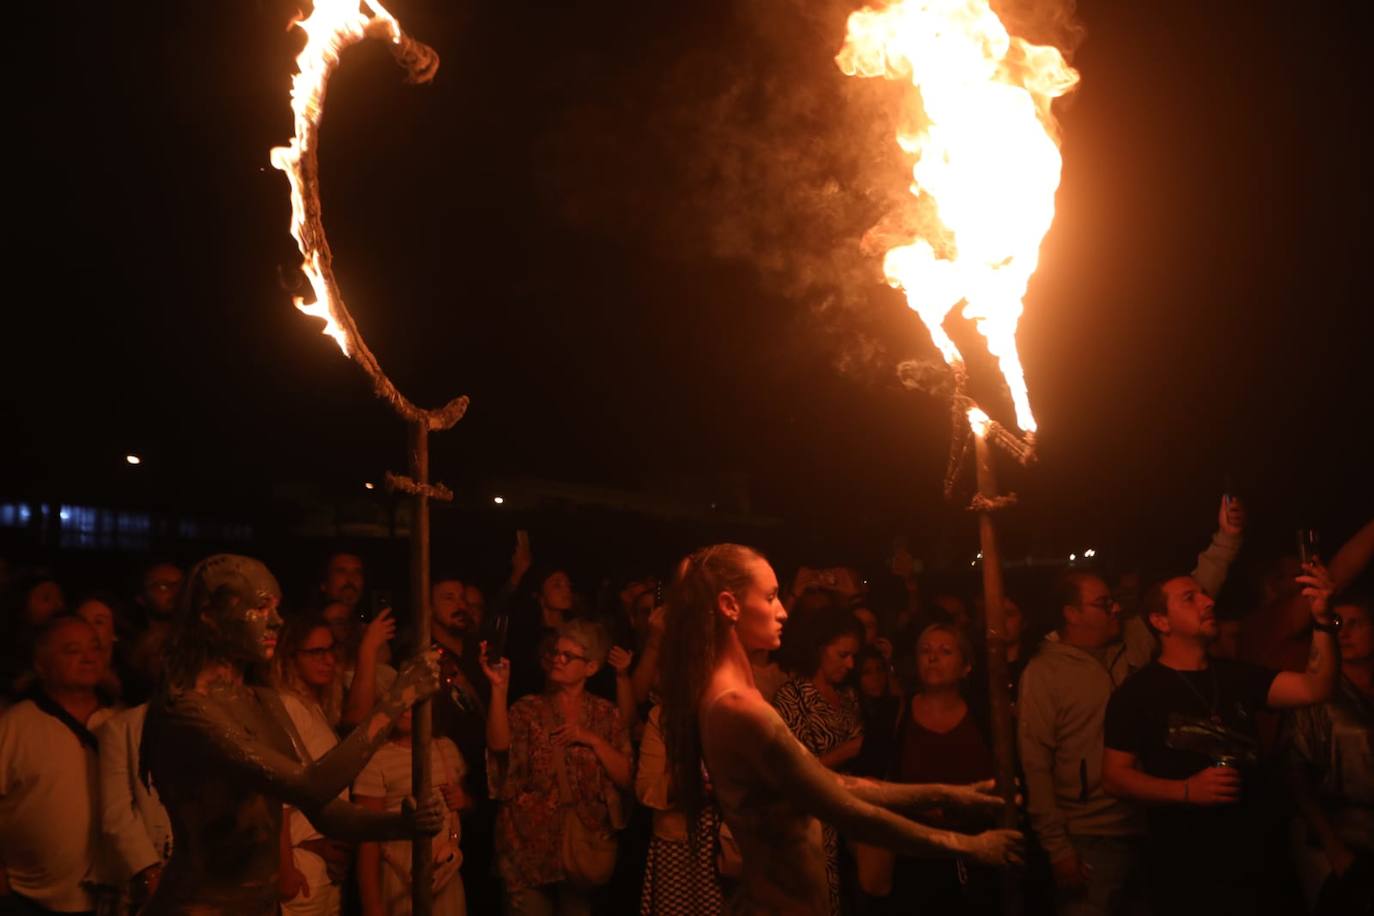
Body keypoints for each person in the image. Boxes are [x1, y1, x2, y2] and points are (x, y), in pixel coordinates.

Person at [658, 544, 1021, 916]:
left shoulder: (732, 695)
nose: (783, 611)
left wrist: (950, 794)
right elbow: (847, 812)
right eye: (770, 598)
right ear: (729, 606)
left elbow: (837, 784)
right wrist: (969, 846)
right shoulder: (737, 707)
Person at [138, 554, 443, 915]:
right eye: (261, 608)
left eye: (277, 607)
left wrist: (399, 825)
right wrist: (397, 700)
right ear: (209, 616)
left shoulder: (263, 701)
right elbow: (311, 785)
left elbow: (324, 811)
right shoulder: (188, 709)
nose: (276, 621)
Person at [1102, 564, 1339, 916]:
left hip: (1261, 857)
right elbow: (1114, 777)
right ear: (1161, 622)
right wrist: (1185, 790)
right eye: (1190, 598)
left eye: (1205, 593)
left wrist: (1322, 621)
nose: (1208, 601)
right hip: (1190, 868)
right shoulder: (1137, 693)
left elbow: (1314, 687)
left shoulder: (1237, 675)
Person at [481, 620, 632, 916]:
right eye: (556, 653)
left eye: (568, 656)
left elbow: (627, 776)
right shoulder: (528, 709)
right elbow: (499, 749)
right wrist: (499, 691)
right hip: (528, 848)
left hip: (580, 849)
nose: (557, 660)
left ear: (590, 667)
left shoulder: (605, 715)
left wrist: (592, 740)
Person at [1017, 572, 1146, 916]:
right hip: (1089, 839)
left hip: (1146, 824)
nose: (1115, 608)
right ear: (1072, 614)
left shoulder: (1132, 646)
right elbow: (1036, 764)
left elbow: (1184, 603)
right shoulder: (1044, 672)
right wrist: (1058, 848)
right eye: (1103, 604)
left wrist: (1227, 539)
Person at [0, 616, 116, 914]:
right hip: (28, 900)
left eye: (95, 648)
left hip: (110, 900)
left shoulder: (122, 723)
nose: (89, 657)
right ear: (41, 664)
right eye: (72, 650)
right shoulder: (14, 727)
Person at [891, 623, 998, 915]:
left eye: (945, 651)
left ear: (966, 666)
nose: (933, 657)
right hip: (916, 857)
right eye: (925, 651)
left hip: (980, 854)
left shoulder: (987, 718)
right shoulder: (894, 718)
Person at [1283, 596, 1374, 914]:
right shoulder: (1318, 695)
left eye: (1355, 624)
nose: (1344, 633)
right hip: (1341, 841)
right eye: (1336, 624)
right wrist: (1333, 848)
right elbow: (1296, 775)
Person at [773, 611, 866, 915]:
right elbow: (792, 772)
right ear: (819, 648)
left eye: (854, 656)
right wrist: (847, 751)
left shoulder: (849, 696)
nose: (850, 664)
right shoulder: (792, 698)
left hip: (849, 820)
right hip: (812, 825)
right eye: (842, 654)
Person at [354, 706, 468, 916]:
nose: (406, 709)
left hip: (446, 875)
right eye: (402, 702)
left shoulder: (446, 748)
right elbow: (367, 838)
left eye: (415, 702)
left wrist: (465, 800)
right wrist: (372, 907)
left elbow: (465, 807)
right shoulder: (376, 759)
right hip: (399, 879)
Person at [274, 614, 349, 916]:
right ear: (291, 658)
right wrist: (285, 869)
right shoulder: (289, 707)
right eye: (315, 652)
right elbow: (277, 796)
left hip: (321, 862)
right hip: (301, 864)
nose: (327, 659)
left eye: (330, 650)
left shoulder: (313, 708)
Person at [636, 703, 727, 916]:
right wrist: (684, 782)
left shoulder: (736, 710)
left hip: (728, 844)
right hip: (676, 847)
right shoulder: (663, 717)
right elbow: (645, 788)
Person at [96, 701, 174, 915]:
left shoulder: (231, 724)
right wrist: (150, 873)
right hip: (154, 879)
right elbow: (117, 815)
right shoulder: (124, 727)